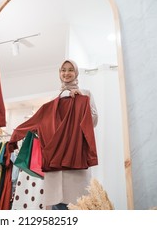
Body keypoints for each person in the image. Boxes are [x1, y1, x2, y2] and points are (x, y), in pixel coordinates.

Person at [48, 59, 98, 210]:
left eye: (70, 70)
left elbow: (94, 121)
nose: (66, 73)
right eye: (63, 70)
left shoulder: (86, 94)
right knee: (58, 202)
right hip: (57, 158)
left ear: (76, 72)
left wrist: (80, 100)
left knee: (77, 202)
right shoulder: (54, 98)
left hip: (77, 157)